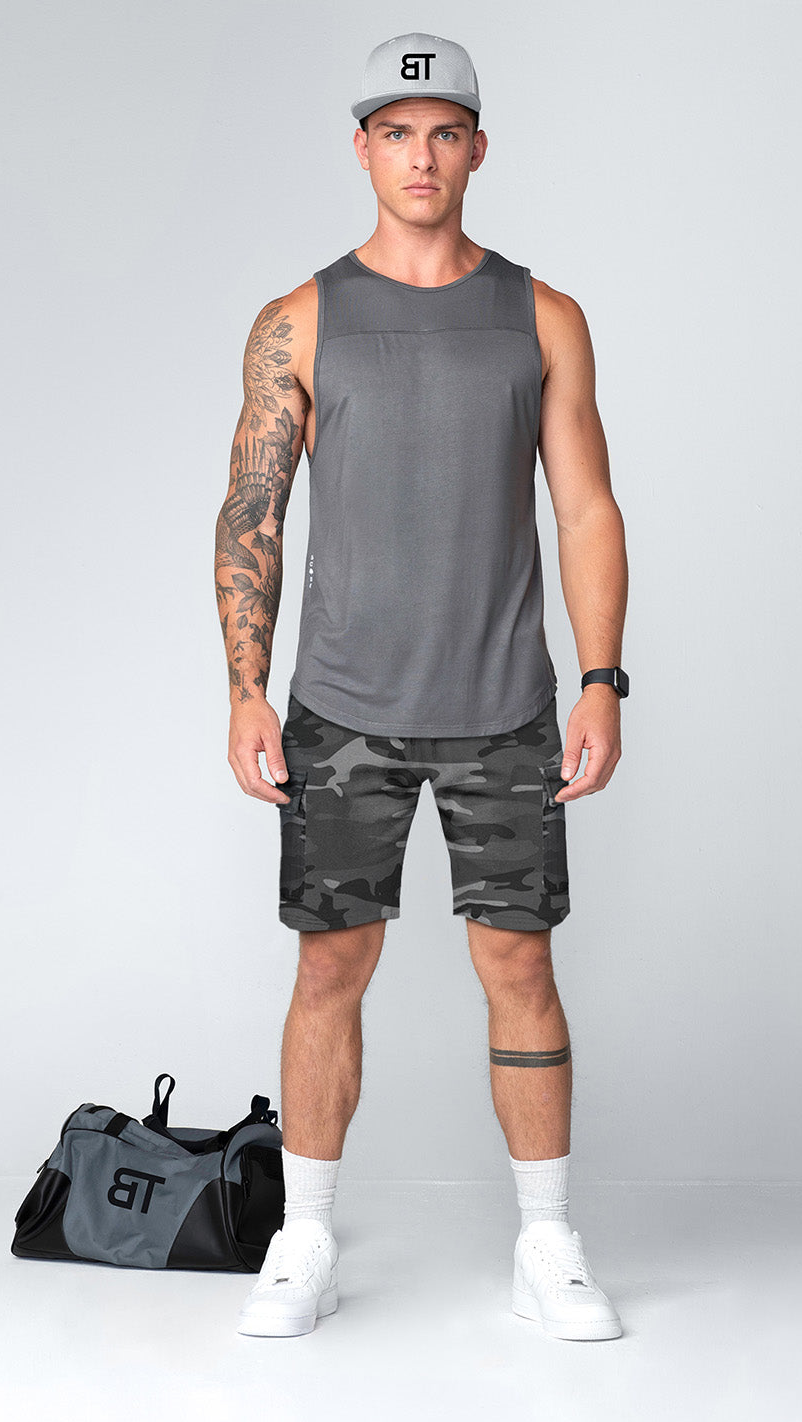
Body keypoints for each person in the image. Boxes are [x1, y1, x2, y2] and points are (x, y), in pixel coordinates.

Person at [214, 32, 629, 1341]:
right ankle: (305, 1239)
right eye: (397, 132)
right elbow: (253, 511)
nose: (421, 156)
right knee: (330, 969)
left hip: (504, 706)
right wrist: (246, 688)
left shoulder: (542, 316)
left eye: (444, 131)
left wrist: (604, 681)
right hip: (342, 710)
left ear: (478, 148)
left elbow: (587, 507)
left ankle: (548, 1243)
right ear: (363, 149)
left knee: (521, 965)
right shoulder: (299, 320)